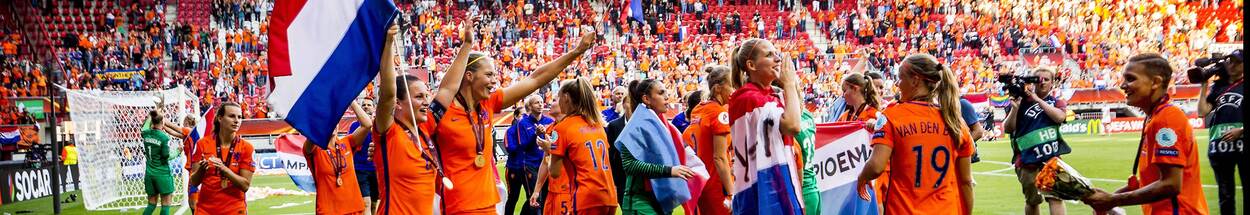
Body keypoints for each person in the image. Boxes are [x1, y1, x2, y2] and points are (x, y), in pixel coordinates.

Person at [433, 25, 596, 214]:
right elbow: (445, 89)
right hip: (456, 207)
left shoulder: (487, 104)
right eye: (489, 75)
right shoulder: (444, 112)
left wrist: (577, 51)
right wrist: (467, 45)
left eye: (495, 74)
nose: (495, 80)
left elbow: (536, 79)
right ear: (469, 76)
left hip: (488, 205)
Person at [1081, 53, 1210, 214]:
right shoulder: (1154, 116)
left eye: (1130, 79)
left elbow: (1171, 184)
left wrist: (1112, 200)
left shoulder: (1167, 120)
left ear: (1155, 82)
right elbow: (1154, 179)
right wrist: (1109, 199)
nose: (1122, 85)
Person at [373, 17, 472, 215]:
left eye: (427, 95)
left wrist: (467, 45)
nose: (427, 101)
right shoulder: (389, 132)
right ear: (398, 103)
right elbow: (387, 94)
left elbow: (448, 88)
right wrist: (390, 43)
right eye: (419, 97)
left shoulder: (425, 129)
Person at [855, 53, 975, 214]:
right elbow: (966, 182)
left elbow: (876, 166)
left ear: (915, 80)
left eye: (901, 78)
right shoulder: (955, 121)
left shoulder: (892, 116)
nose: (897, 84)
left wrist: (862, 178)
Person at [726, 38, 805, 215]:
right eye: (769, 55)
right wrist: (790, 84)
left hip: (771, 184)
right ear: (751, 65)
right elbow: (793, 126)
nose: (777, 59)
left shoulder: (766, 96)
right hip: (763, 189)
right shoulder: (749, 98)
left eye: (777, 54)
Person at [534, 78, 619, 214]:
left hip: (585, 197)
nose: (555, 101)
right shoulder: (597, 125)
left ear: (566, 97)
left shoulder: (561, 128)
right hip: (609, 196)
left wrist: (549, 149)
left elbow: (555, 172)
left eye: (558, 97)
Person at [616, 79, 698, 215]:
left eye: (666, 92)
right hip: (640, 202)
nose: (667, 96)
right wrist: (670, 171)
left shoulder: (662, 124)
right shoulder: (636, 125)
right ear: (646, 99)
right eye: (661, 93)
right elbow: (629, 165)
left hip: (659, 199)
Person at [1002, 67, 1070, 215]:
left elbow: (1059, 117)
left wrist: (1037, 99)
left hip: (1052, 158)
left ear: (1052, 83)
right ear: (1032, 82)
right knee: (1032, 201)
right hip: (1027, 160)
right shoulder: (1020, 101)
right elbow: (1008, 128)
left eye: (1047, 79)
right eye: (1039, 79)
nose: (1043, 82)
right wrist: (1015, 109)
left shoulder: (1057, 102)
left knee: (1056, 197)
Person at [1196, 50, 1243, 215]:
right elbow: (1202, 111)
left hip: (1242, 144)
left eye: (1237, 62)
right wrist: (1204, 84)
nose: (1232, 65)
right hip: (1220, 147)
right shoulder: (1218, 86)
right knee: (1225, 196)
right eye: (1230, 61)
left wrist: (1241, 131)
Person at [304, 101, 371, 214]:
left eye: (335, 122)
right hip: (329, 210)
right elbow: (312, 136)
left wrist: (351, 101)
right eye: (328, 123)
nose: (332, 125)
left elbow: (367, 125)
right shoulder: (315, 150)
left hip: (354, 209)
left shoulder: (347, 142)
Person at [684, 65, 734, 215]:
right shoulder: (719, 113)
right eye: (731, 85)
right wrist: (732, 193)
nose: (733, 91)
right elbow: (719, 158)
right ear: (718, 88)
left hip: (702, 182)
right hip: (717, 185)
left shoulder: (699, 109)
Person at [187, 102, 253, 214]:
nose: (237, 120)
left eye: (239, 117)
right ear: (220, 118)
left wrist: (224, 169)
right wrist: (202, 170)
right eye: (232, 116)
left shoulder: (246, 147)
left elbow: (245, 185)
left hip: (234, 210)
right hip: (205, 210)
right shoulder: (202, 144)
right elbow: (194, 182)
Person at [504, 96, 552, 215]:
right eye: (537, 103)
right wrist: (535, 135)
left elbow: (554, 142)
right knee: (521, 197)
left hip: (546, 164)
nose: (540, 105)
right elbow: (518, 146)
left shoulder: (549, 122)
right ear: (530, 107)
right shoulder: (521, 125)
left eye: (541, 102)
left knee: (543, 197)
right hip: (526, 165)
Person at [350, 98, 381, 215]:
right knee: (366, 203)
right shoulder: (354, 126)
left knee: (374, 203)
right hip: (360, 169)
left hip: (376, 169)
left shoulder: (379, 126)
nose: (366, 106)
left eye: (369, 105)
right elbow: (352, 144)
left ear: (374, 108)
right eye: (364, 105)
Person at [141, 109, 175, 215]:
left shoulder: (145, 133)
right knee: (166, 204)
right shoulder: (164, 137)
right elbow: (166, 156)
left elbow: (145, 126)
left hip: (149, 174)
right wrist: (178, 151)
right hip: (162, 174)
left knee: (151, 204)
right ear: (163, 121)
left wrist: (152, 115)